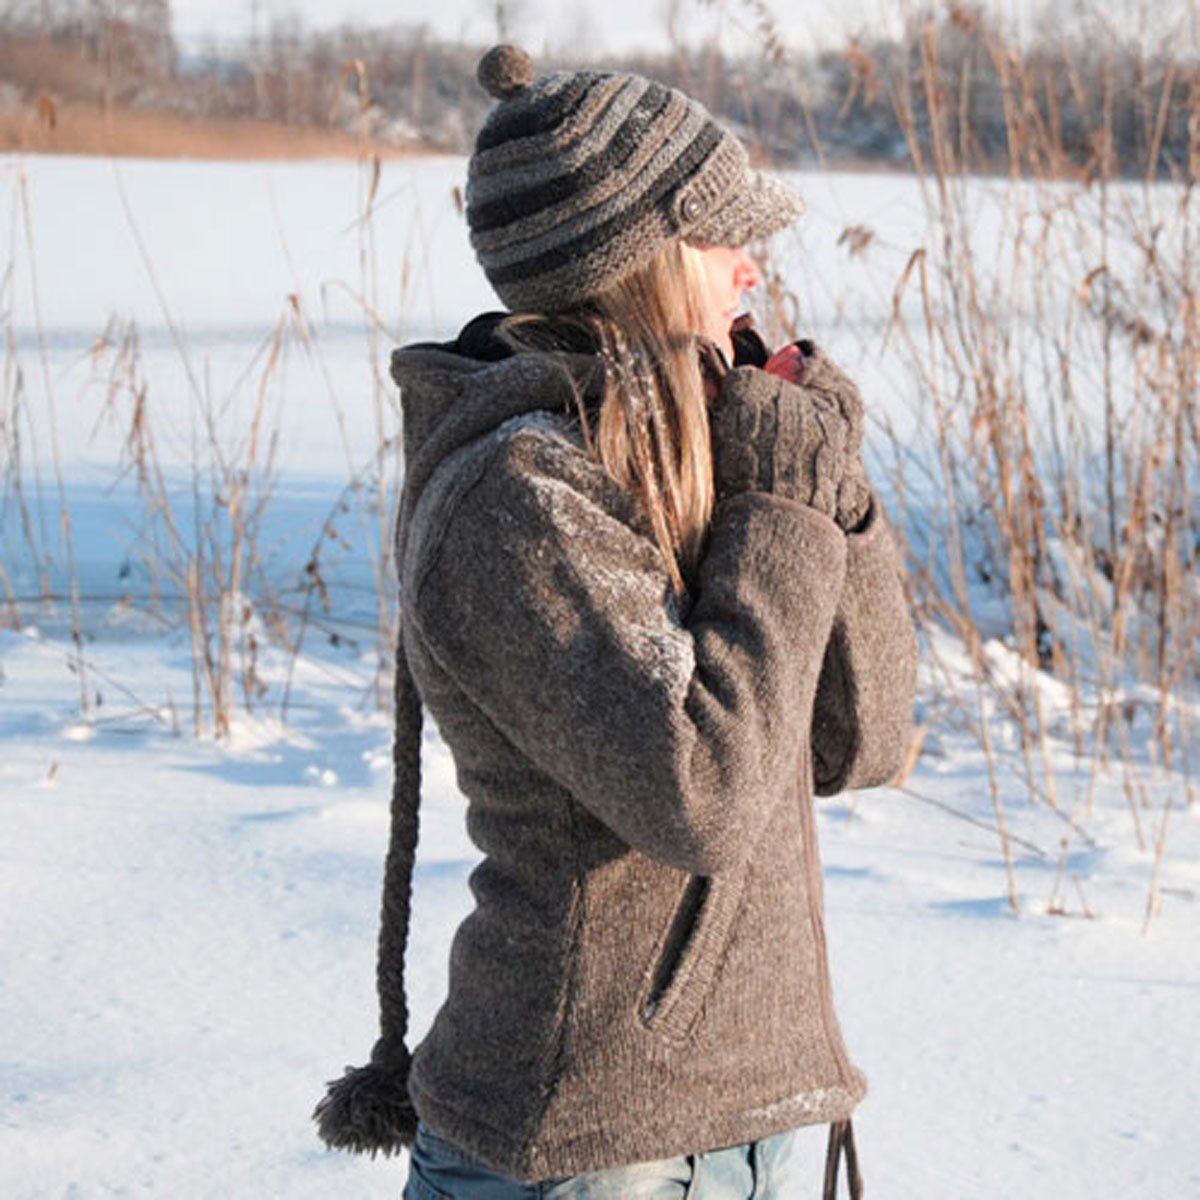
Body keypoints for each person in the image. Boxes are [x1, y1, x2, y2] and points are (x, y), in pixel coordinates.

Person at [314, 44, 919, 1200]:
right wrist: (784, 506)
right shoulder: (518, 497)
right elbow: (707, 794)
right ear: (632, 260)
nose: (753, 266)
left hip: (758, 1123)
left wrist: (828, 497)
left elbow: (860, 741)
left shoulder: (700, 455)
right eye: (722, 234)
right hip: (585, 1147)